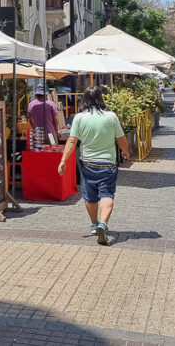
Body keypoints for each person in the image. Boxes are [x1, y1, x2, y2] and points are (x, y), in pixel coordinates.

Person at [57, 87, 129, 245]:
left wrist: (63, 161)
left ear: (84, 100)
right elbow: (121, 138)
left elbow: (72, 141)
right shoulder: (111, 116)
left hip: (88, 163)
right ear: (100, 98)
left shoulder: (79, 118)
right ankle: (103, 223)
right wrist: (125, 152)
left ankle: (95, 223)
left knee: (89, 196)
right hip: (108, 164)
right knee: (107, 195)